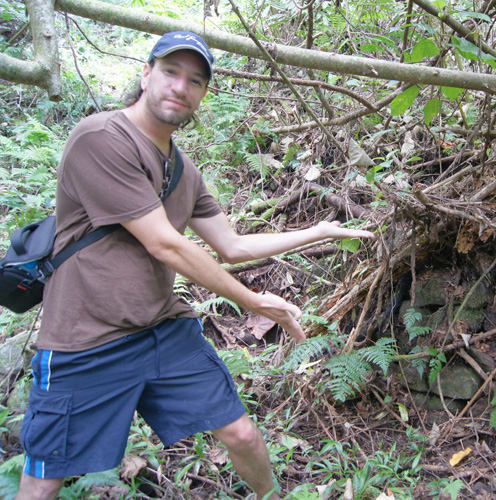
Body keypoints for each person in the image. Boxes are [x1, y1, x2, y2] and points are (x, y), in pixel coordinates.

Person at [16, 31, 373, 500]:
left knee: (242, 434)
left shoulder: (184, 172)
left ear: (203, 95)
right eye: (170, 72)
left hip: (160, 331)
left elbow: (232, 244)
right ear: (145, 75)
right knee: (44, 481)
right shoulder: (103, 137)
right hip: (83, 341)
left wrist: (317, 231)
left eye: (195, 81)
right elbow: (166, 244)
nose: (181, 87)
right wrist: (252, 301)